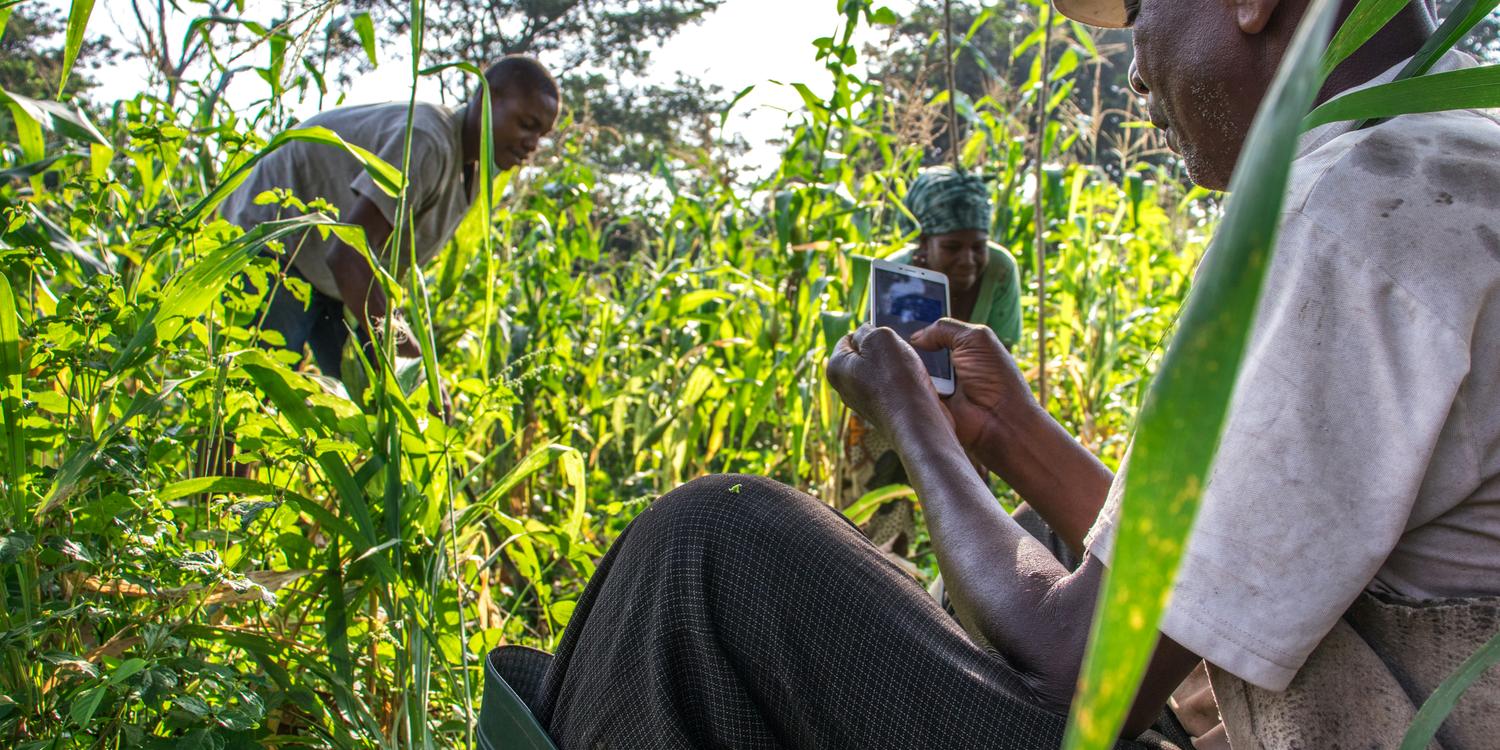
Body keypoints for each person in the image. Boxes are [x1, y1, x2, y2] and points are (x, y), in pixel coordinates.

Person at [499, 0, 1500, 747]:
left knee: (710, 546)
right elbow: (1207, 582)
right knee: (1005, 538)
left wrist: (916, 426)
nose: (1134, 64)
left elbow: (1084, 672)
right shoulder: (1445, 169)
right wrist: (1007, 435)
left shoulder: (1353, 219)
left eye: (1142, 7)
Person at [221, 55, 560, 384]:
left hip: (332, 276)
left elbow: (373, 271)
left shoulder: (469, 172)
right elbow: (348, 256)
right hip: (277, 243)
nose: (532, 144)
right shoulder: (427, 140)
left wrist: (414, 373)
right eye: (526, 125)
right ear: (486, 98)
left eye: (541, 135)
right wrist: (413, 363)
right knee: (252, 396)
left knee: (378, 406)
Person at [840, 168, 1023, 559]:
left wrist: (966, 430)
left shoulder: (1000, 271)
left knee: (975, 519)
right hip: (889, 403)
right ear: (924, 244)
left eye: (978, 246)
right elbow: (876, 362)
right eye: (952, 247)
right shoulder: (894, 278)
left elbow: (999, 359)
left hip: (966, 402)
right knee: (882, 525)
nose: (969, 260)